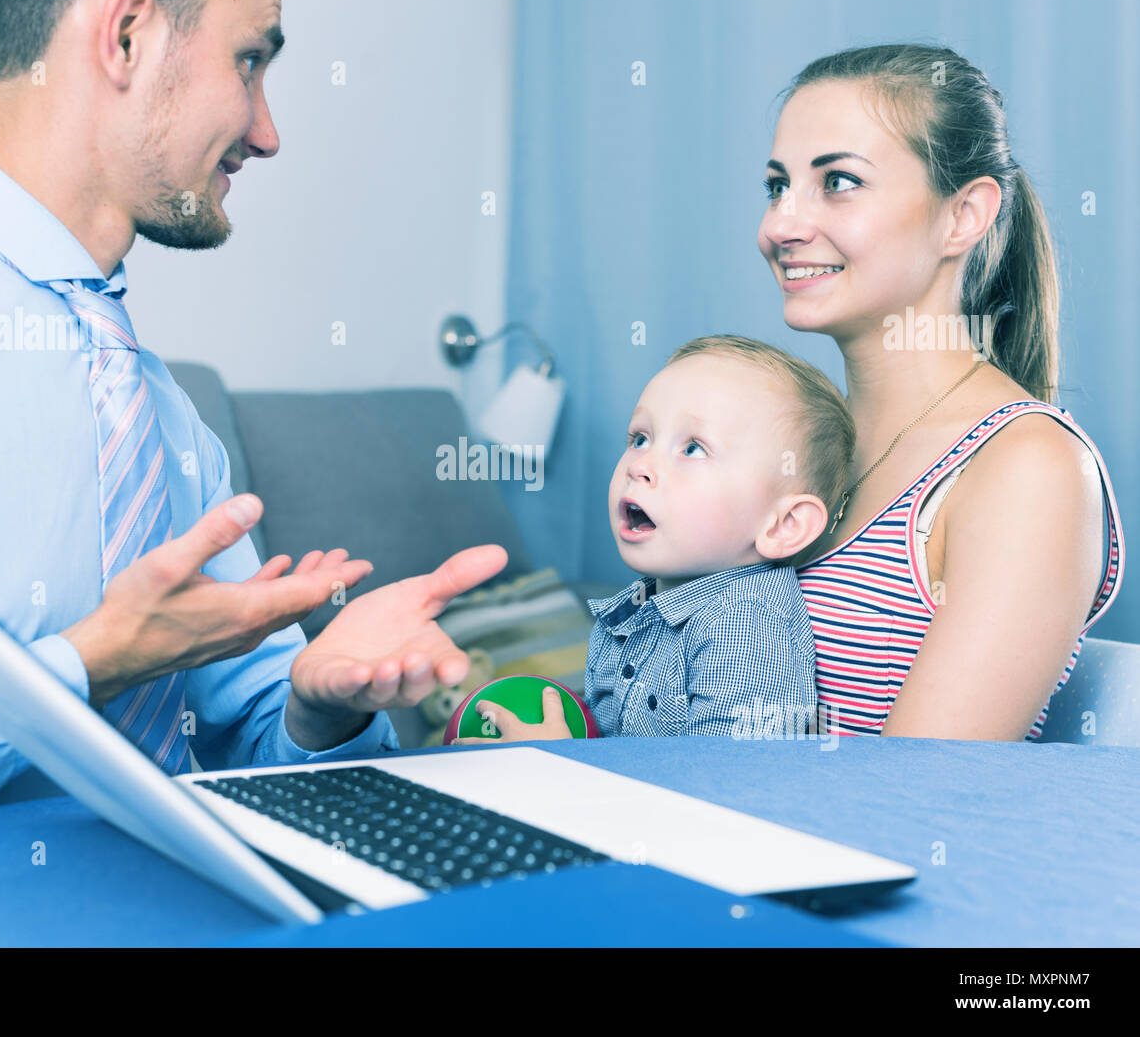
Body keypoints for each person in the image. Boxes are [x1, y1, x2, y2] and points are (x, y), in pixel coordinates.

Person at [0, 0, 507, 835]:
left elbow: (254, 754)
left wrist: (319, 708)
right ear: (126, 35)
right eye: (250, 59)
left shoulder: (161, 417)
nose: (267, 133)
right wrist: (88, 665)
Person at [758, 44, 1125, 739]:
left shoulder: (1028, 467)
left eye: (837, 181)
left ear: (963, 216)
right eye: (778, 186)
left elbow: (915, 796)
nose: (781, 225)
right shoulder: (796, 446)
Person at [454, 335, 855, 743]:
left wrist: (560, 763)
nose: (640, 465)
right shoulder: (633, 612)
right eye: (640, 438)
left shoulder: (743, 626)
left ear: (783, 525)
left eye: (693, 448)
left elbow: (723, 789)